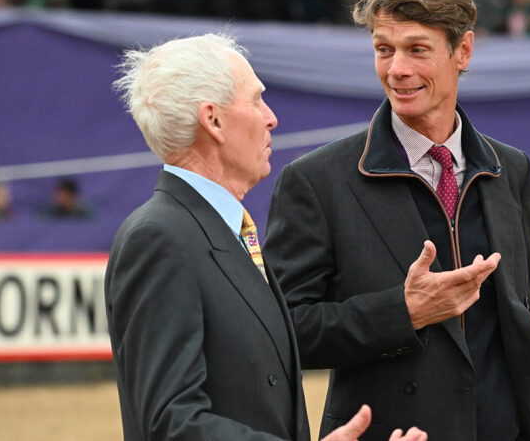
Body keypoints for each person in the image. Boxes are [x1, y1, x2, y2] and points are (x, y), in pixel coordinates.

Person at [265, 0, 530, 441]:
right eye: (384, 49)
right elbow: (283, 331)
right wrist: (404, 312)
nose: (396, 69)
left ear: (463, 51)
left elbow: (520, 328)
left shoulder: (512, 169)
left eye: (417, 49)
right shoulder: (317, 181)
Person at [106, 33, 427, 441]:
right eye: (256, 99)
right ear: (214, 120)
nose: (271, 117)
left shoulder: (222, 230)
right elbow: (170, 423)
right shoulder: (159, 238)